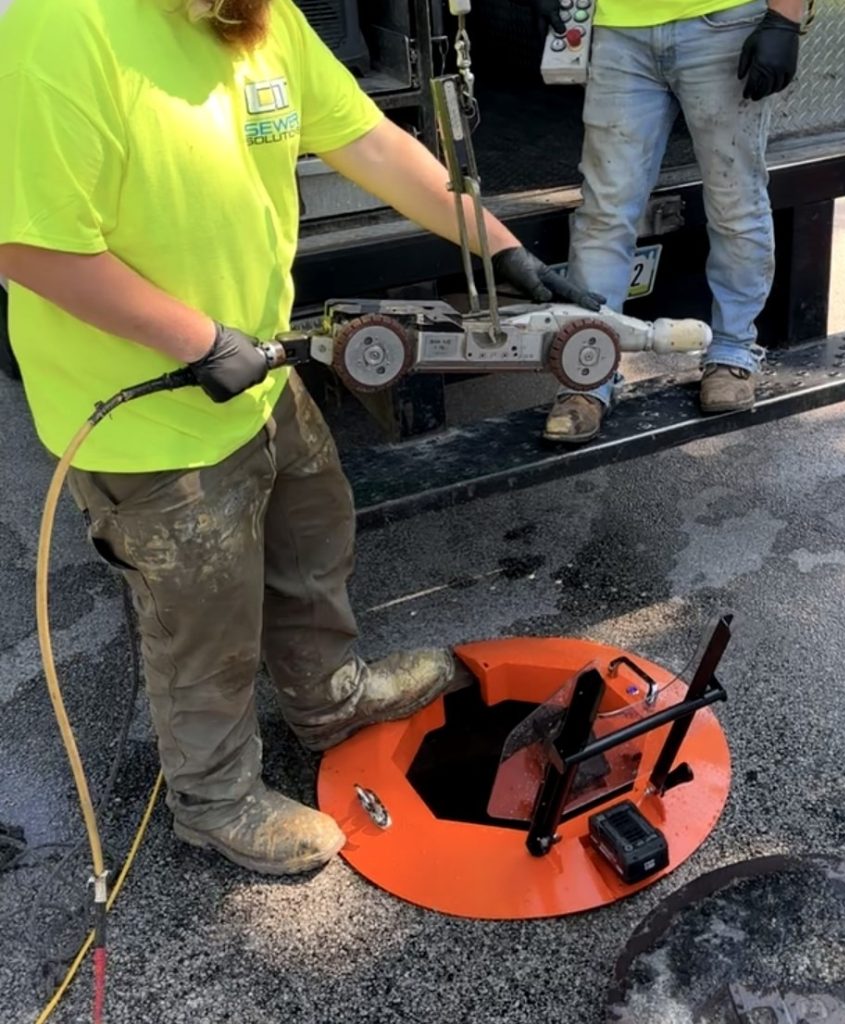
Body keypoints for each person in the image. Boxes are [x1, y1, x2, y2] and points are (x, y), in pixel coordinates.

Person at [0, 0, 600, 876]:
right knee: (203, 619)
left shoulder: (258, 14)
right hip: (148, 404)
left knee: (315, 534)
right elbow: (32, 248)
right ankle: (213, 799)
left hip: (256, 371)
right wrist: (199, 342)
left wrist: (500, 247)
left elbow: (369, 141)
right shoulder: (62, 27)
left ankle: (326, 700)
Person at [532, 0, 804, 443]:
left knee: (735, 200)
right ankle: (588, 373)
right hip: (619, 26)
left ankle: (733, 351)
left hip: (724, 20)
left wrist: (784, 17)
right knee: (604, 210)